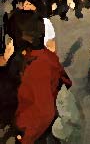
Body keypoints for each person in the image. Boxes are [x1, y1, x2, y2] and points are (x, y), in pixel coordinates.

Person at [14, 15, 71, 144]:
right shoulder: (47, 56)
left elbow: (44, 111)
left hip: (33, 130)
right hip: (41, 127)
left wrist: (26, 138)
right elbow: (66, 81)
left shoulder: (35, 66)